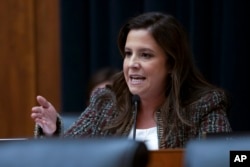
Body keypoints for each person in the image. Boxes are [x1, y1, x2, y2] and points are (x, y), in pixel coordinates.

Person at [31, 12, 232, 150]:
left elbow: (229, 159)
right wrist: (52, 131)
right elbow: (67, 154)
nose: (132, 64)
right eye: (128, 54)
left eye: (145, 55)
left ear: (171, 63)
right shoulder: (107, 103)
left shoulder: (203, 106)